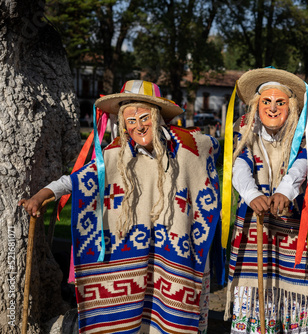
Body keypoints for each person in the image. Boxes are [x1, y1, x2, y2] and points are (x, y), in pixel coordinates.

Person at [19, 80, 223, 334]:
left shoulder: (185, 149)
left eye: (144, 117)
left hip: (173, 255)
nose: (138, 125)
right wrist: (41, 195)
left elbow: (210, 149)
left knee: (171, 320)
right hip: (132, 255)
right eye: (130, 120)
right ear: (122, 124)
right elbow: (77, 179)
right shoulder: (115, 155)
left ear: (158, 116)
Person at [223, 68, 308, 333]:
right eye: (266, 102)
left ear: (290, 105)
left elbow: (303, 165)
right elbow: (238, 165)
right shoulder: (244, 133)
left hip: (292, 229)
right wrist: (251, 194)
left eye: (280, 102)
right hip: (253, 229)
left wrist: (285, 189)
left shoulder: (302, 136)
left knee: (297, 296)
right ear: (256, 105)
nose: (272, 108)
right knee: (254, 296)